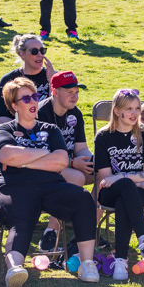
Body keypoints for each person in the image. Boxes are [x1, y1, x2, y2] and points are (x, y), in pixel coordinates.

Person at [0, 77, 100, 286]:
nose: (33, 101)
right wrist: (44, 152)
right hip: (13, 187)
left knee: (83, 199)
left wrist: (22, 162)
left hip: (51, 185)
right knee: (21, 218)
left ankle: (87, 264)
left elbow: (61, 160)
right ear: (14, 105)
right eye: (26, 98)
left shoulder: (50, 129)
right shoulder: (4, 130)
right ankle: (15, 268)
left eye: (35, 96)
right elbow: (5, 155)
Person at [93, 88, 144, 280]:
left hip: (142, 191)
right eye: (129, 109)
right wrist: (137, 182)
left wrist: (124, 177)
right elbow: (106, 178)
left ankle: (121, 263)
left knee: (124, 198)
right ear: (117, 111)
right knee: (125, 187)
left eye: (137, 108)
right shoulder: (103, 136)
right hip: (111, 191)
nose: (135, 113)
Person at [36, 71, 94, 249]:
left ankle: (88, 230)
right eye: (69, 92)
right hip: (43, 167)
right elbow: (42, 153)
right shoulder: (41, 112)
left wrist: (90, 159)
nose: (74, 96)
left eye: (76, 92)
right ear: (55, 92)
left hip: (68, 164)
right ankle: (50, 233)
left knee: (103, 173)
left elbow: (80, 147)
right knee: (77, 178)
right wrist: (72, 162)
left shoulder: (75, 113)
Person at [0, 33, 55, 125]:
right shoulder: (9, 80)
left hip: (49, 130)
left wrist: (52, 81)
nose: (40, 55)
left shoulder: (53, 76)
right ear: (22, 54)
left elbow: (59, 111)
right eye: (34, 51)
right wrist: (23, 128)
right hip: (19, 132)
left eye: (42, 50)